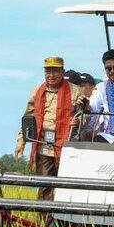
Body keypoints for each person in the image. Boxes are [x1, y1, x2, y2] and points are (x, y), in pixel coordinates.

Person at [14, 56, 83, 200]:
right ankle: (45, 223)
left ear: (62, 72)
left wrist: (77, 121)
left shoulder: (75, 91)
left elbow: (86, 116)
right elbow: (27, 118)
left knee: (65, 187)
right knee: (45, 187)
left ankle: (63, 221)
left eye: (55, 71)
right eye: (48, 71)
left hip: (67, 146)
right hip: (43, 145)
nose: (51, 75)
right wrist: (21, 142)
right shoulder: (37, 91)